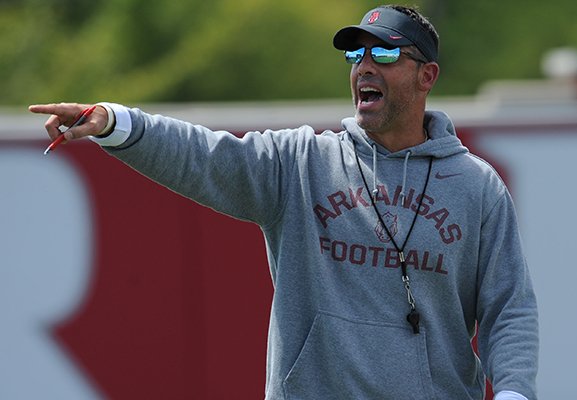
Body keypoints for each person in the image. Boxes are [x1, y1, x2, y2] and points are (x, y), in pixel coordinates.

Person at [29, 5, 538, 400]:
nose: (364, 66)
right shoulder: (300, 161)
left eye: (384, 54)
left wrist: (513, 390)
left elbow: (508, 307)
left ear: (427, 77)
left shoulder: (476, 186)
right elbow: (205, 156)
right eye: (356, 54)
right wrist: (118, 123)